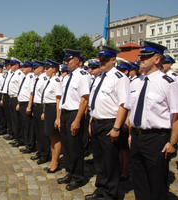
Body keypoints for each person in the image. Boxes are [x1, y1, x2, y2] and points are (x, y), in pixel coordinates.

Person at [126, 41, 178, 200]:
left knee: (157, 181)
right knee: (139, 178)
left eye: (145, 57)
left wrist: (172, 142)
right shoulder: (136, 82)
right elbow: (133, 110)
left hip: (156, 138)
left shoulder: (167, 83)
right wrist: (131, 134)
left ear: (157, 59)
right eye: (141, 56)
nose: (140, 59)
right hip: (137, 136)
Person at [85, 46, 130, 200]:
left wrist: (117, 127)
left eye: (105, 59)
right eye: (100, 59)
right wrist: (91, 120)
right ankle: (100, 189)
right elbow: (95, 101)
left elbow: (123, 105)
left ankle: (112, 193)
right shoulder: (99, 78)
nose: (102, 62)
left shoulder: (119, 78)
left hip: (110, 123)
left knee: (110, 161)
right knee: (98, 159)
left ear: (113, 60)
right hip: (96, 122)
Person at [57, 49, 90, 191]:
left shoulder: (83, 75)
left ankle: (78, 177)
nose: (66, 62)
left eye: (68, 60)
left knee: (75, 147)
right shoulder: (66, 77)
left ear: (77, 60)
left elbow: (84, 99)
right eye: (65, 60)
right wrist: (59, 117)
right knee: (67, 146)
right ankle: (70, 172)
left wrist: (77, 120)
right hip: (65, 113)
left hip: (75, 113)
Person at [27, 59, 50, 164]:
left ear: (41, 68)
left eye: (36, 67)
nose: (34, 69)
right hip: (36, 106)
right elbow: (33, 93)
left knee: (42, 132)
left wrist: (44, 111)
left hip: (41, 106)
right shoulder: (36, 79)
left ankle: (45, 154)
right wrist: (31, 107)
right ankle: (39, 151)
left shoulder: (45, 79)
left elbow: (46, 96)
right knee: (37, 131)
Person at [41, 58, 62, 173]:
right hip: (49, 108)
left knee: (55, 137)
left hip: (54, 109)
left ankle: (56, 162)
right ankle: (53, 161)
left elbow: (58, 99)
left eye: (48, 68)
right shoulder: (50, 81)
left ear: (54, 69)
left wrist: (58, 118)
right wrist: (44, 111)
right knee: (51, 137)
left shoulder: (56, 81)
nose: (45, 70)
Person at [17, 60, 36, 153]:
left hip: (27, 104)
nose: (23, 68)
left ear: (30, 68)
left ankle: (30, 145)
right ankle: (27, 143)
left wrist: (29, 106)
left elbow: (31, 93)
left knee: (29, 126)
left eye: (25, 67)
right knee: (24, 125)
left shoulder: (31, 77)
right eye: (22, 67)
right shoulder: (25, 77)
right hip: (22, 103)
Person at [8, 57, 25, 147]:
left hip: (16, 98)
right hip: (12, 98)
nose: (10, 66)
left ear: (17, 65)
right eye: (10, 64)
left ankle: (20, 139)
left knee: (17, 120)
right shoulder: (13, 74)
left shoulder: (19, 74)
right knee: (13, 119)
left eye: (12, 64)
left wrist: (18, 102)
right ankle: (16, 137)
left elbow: (20, 89)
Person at [0, 59, 13, 140]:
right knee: (7, 115)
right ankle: (10, 131)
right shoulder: (8, 74)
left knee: (10, 116)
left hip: (9, 95)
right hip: (5, 95)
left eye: (7, 65)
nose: (5, 67)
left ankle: (12, 132)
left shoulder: (12, 74)